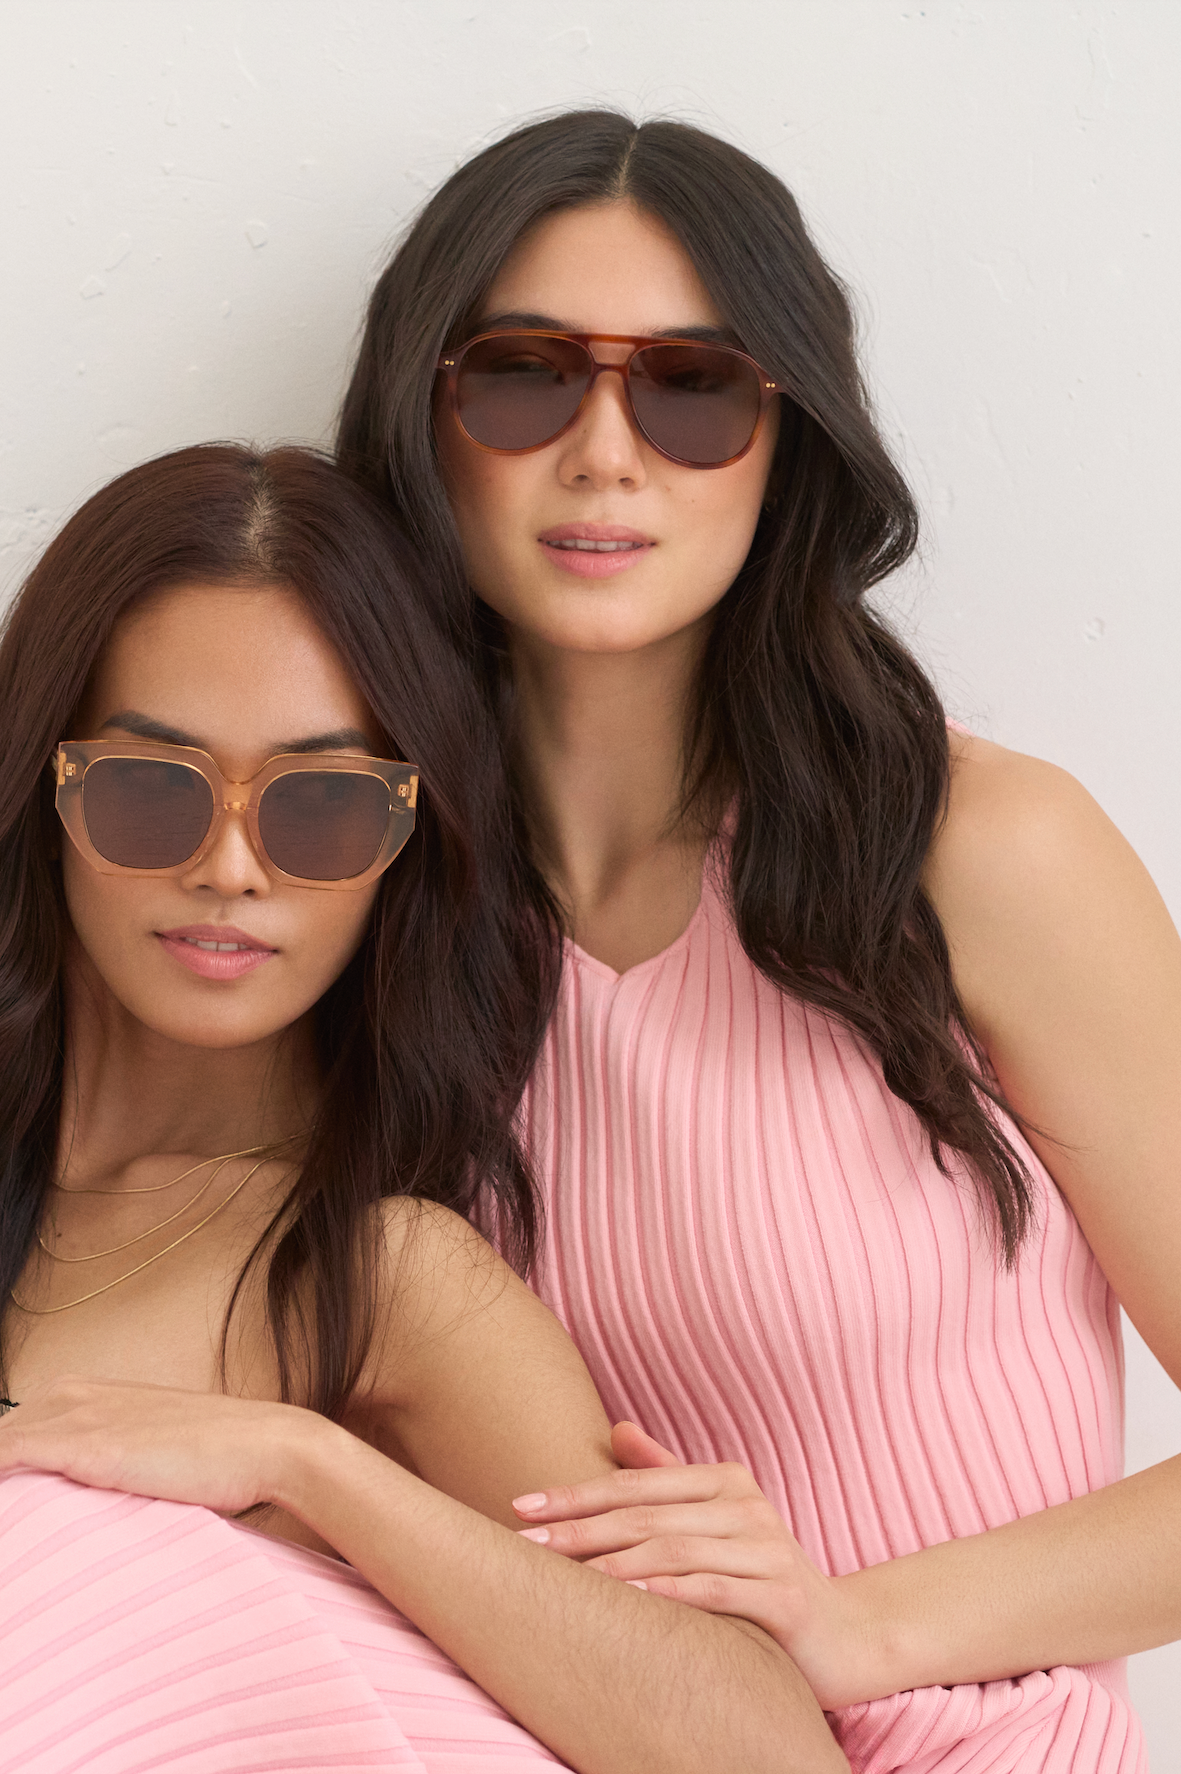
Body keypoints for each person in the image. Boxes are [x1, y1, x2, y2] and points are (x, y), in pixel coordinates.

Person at [0, 443, 841, 1772]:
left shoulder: (389, 1281)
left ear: (405, 841)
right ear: (48, 801)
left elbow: (770, 1754)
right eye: (152, 791)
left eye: (320, 808)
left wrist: (304, 1464)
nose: (229, 868)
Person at [335, 109, 1181, 1769]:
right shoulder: (365, 895)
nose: (604, 452)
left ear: (789, 438)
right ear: (424, 423)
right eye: (522, 375)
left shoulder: (975, 854)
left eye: (692, 387)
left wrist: (857, 1620)